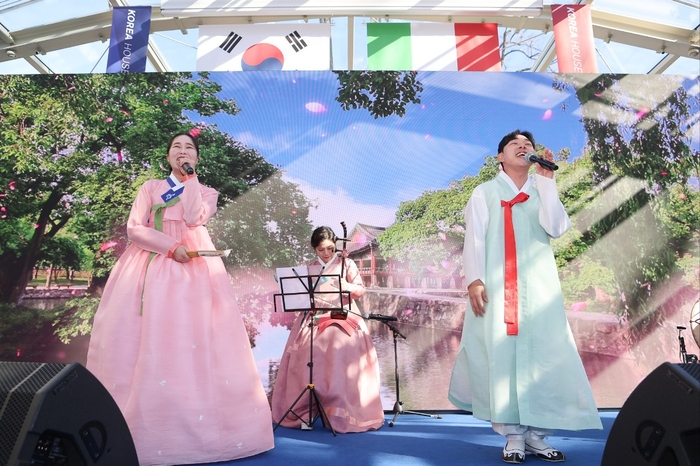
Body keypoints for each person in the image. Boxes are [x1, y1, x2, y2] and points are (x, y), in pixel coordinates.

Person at [86, 132, 274, 465]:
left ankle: (201, 435)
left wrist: (190, 180)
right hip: (149, 267)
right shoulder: (150, 188)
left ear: (196, 158)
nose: (183, 151)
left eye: (189, 148)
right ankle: (139, 432)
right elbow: (134, 228)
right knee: (146, 341)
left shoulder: (206, 192)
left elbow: (193, 217)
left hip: (195, 274)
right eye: (177, 147)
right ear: (167, 156)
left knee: (193, 341)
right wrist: (171, 247)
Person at [448, 130, 602, 464]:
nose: (523, 146)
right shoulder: (485, 192)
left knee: (545, 355)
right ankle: (513, 436)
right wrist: (474, 279)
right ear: (500, 156)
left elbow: (557, 227)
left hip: (539, 289)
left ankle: (537, 435)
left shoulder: (540, 189)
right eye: (514, 144)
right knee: (500, 356)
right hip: (496, 288)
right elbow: (474, 238)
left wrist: (547, 184)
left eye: (528, 144)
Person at [271, 226, 385, 433]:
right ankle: (306, 410)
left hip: (342, 315)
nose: (326, 253)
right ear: (313, 247)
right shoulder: (309, 268)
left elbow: (360, 289)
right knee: (305, 352)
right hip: (315, 316)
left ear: (335, 246)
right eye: (321, 249)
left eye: (330, 249)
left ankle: (338, 408)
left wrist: (345, 285)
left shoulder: (346, 264)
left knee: (336, 342)